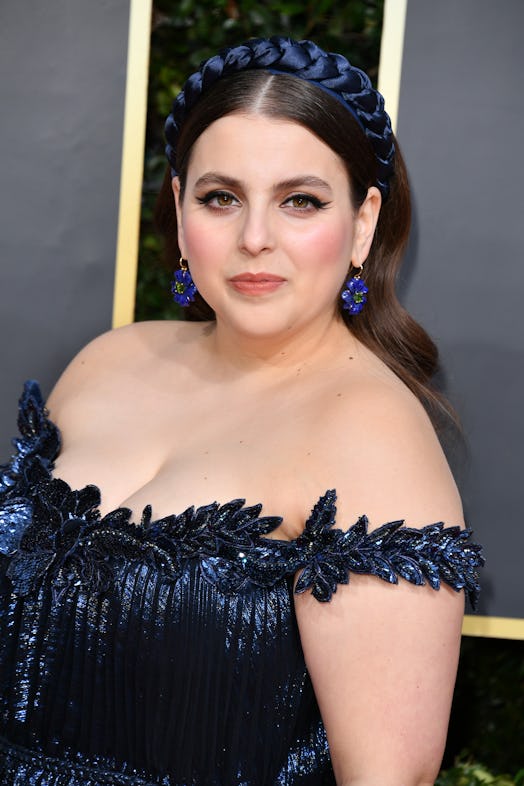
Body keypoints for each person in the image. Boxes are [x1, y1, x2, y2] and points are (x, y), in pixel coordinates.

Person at [0, 36, 483, 786]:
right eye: (220, 197)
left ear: (362, 223)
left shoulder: (373, 438)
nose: (254, 239)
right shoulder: (108, 361)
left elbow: (386, 777)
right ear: (180, 206)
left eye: (301, 201)